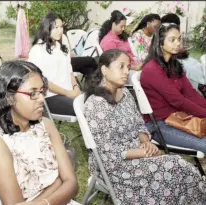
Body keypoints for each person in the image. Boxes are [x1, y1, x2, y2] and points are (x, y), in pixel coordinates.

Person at [84, 49, 206, 204]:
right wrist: (143, 152)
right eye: (121, 66)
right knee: (175, 167)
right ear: (104, 70)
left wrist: (146, 142)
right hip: (114, 167)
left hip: (137, 151)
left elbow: (138, 124)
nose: (126, 72)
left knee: (182, 169)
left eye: (128, 67)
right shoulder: (96, 105)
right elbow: (107, 154)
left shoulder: (124, 94)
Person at [0, 60, 79, 205]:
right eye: (32, 93)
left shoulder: (45, 125)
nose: (41, 99)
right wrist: (60, 180)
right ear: (9, 97)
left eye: (41, 92)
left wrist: (44, 202)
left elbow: (73, 184)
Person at [141, 23, 206, 152]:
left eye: (178, 39)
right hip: (160, 125)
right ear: (160, 43)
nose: (177, 43)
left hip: (179, 116)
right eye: (172, 40)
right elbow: (178, 100)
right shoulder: (152, 69)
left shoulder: (174, 64)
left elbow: (191, 94)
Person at [29, 12, 81, 116]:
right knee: (83, 109)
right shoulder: (37, 50)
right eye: (56, 27)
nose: (60, 30)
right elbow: (41, 81)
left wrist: (76, 87)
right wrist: (68, 93)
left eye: (61, 27)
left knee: (93, 104)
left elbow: (69, 71)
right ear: (46, 28)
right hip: (50, 96)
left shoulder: (61, 45)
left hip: (69, 92)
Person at [160, 13, 206, 97]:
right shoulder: (162, 36)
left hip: (179, 58)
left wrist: (180, 50)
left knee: (194, 64)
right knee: (189, 67)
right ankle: (201, 86)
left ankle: (202, 84)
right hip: (174, 59)